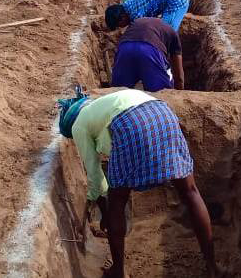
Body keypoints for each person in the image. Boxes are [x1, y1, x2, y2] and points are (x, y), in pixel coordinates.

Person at [57, 88, 217, 278]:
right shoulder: (103, 104)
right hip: (163, 114)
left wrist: (104, 210)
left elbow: (94, 174)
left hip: (130, 125)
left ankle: (118, 271)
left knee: (117, 203)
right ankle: (212, 267)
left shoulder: (78, 126)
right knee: (190, 191)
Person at [111, 16, 184, 91]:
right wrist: (179, 93)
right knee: (161, 92)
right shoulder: (172, 32)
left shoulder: (137, 22)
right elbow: (179, 76)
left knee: (119, 91)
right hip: (149, 50)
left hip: (124, 48)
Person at [105, 0, 189, 31]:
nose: (121, 27)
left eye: (119, 25)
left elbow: (144, 31)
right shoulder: (128, 5)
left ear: (122, 17)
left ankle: (170, 54)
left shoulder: (136, 14)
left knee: (167, 31)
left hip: (177, 0)